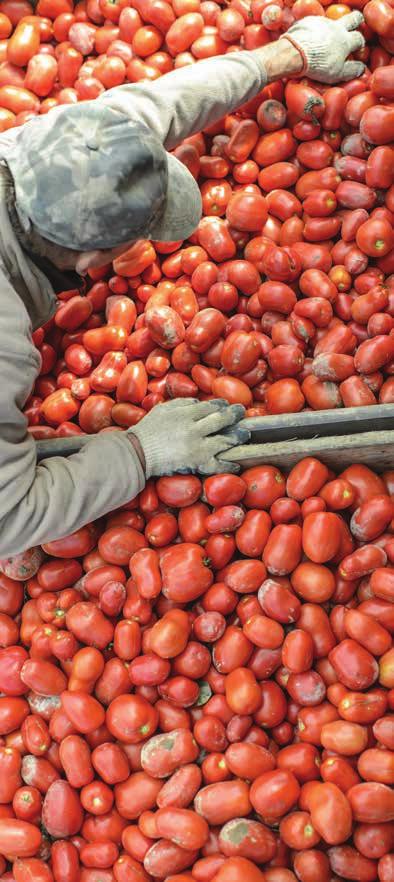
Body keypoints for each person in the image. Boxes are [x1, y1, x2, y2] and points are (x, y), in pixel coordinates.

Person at [0, 13, 365, 556]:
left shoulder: (33, 152)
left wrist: (288, 54)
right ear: (102, 257)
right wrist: (139, 453)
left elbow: (155, 106)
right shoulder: (4, 343)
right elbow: (10, 516)